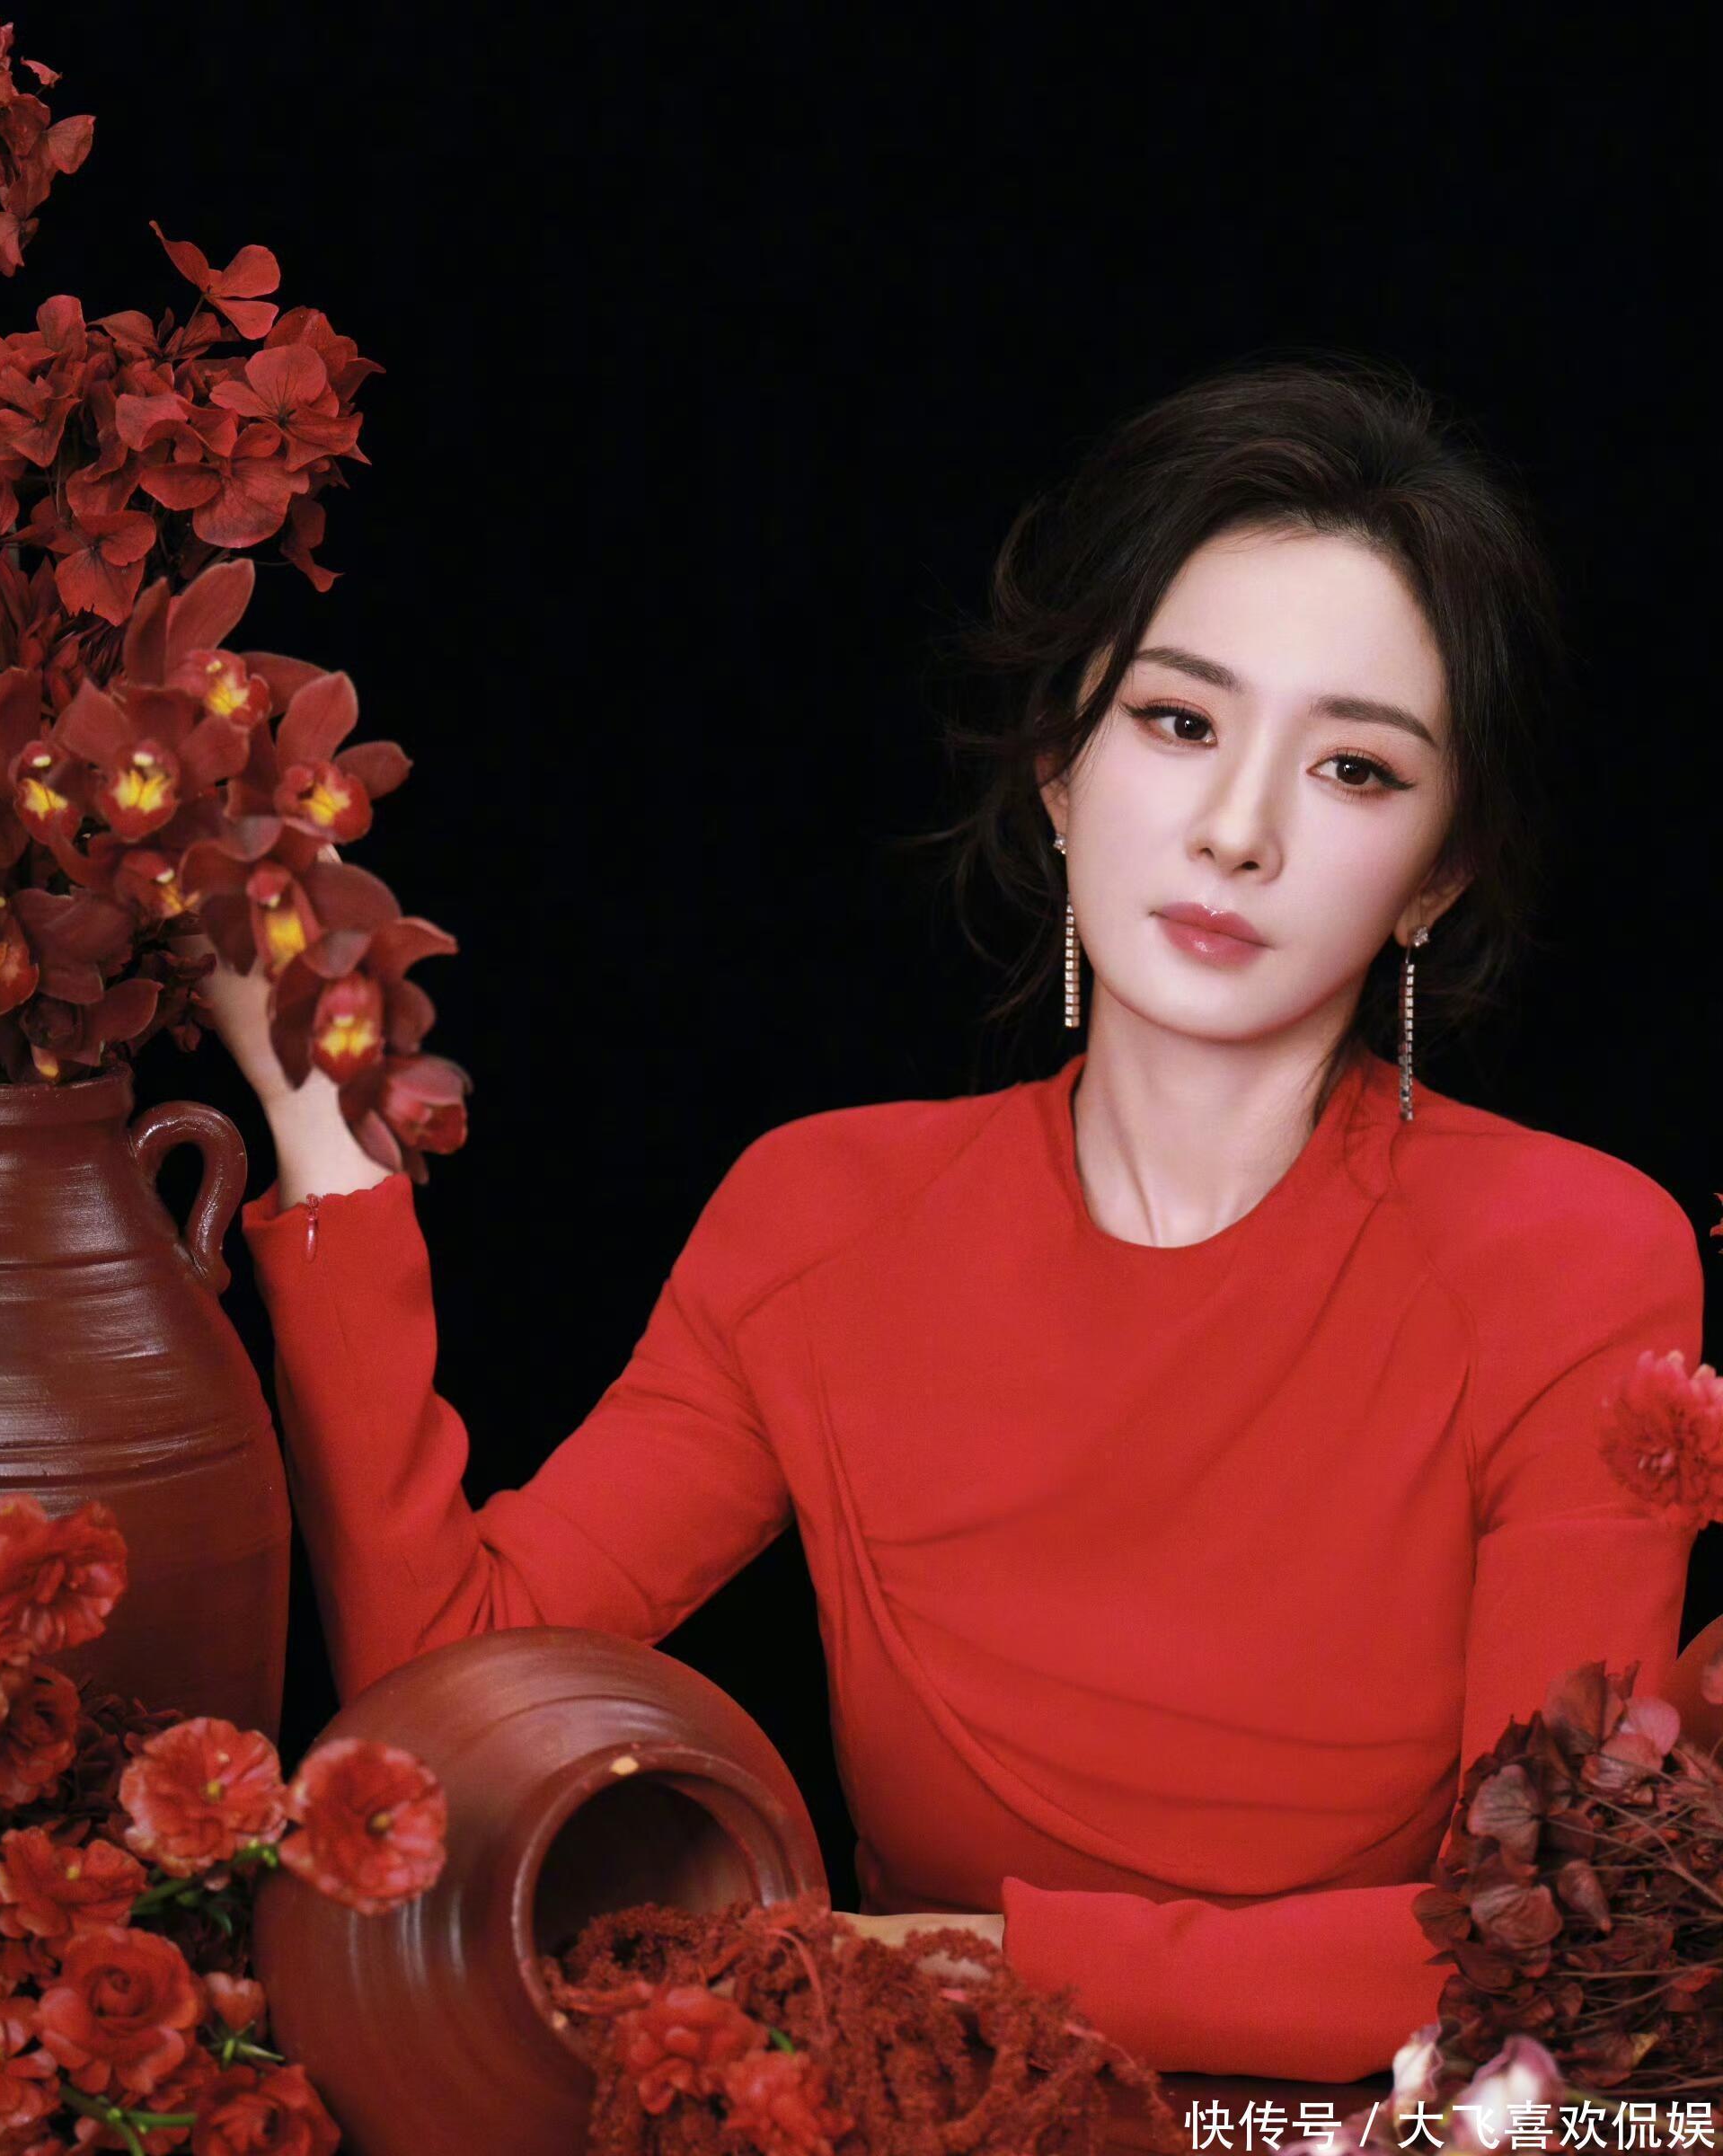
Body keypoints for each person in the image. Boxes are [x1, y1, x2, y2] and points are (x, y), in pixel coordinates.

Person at [195, 354, 1705, 2081]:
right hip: (929, 2106)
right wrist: (317, 1118)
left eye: (1356, 769)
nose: (1238, 832)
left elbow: (1547, 1944)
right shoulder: (826, 1217)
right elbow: (441, 1709)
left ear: (1438, 870)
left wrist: (955, 1958)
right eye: (1181, 721)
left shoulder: (1575, 1260)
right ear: (1061, 766)